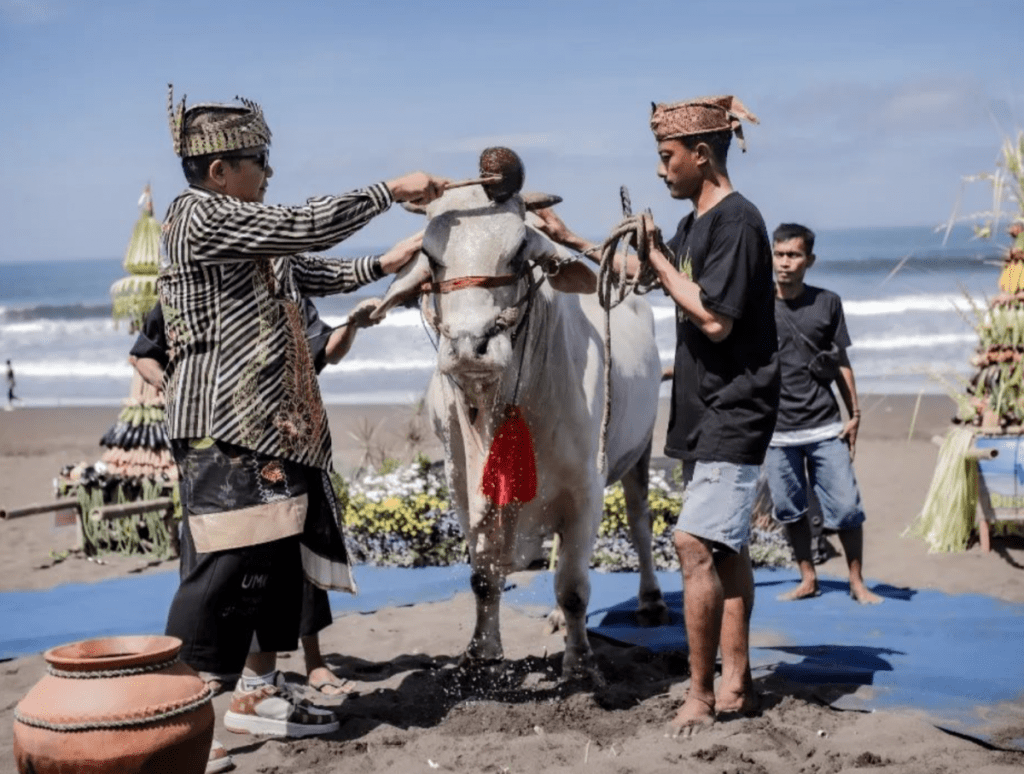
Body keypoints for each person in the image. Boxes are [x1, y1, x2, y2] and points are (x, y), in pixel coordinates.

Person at [157, 83, 446, 768]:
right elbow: (306, 227)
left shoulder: (247, 231)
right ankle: (183, 721)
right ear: (220, 169)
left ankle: (257, 693)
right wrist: (389, 188)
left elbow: (310, 266)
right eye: (259, 158)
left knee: (272, 569)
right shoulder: (198, 216)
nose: (269, 171)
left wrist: (385, 264)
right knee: (226, 568)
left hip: (273, 426)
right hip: (221, 426)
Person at [534, 95, 779, 735]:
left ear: (702, 155)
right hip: (705, 407)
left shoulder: (737, 223)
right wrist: (576, 241)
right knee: (725, 552)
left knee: (693, 544)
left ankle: (698, 695)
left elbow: (715, 319)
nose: (660, 170)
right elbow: (643, 275)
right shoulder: (696, 224)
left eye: (667, 157)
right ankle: (737, 680)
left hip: (736, 404)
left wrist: (661, 260)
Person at [130, 298, 376, 697]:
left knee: (292, 550)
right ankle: (214, 672)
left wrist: (352, 324)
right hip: (211, 453)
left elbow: (325, 349)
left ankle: (308, 664)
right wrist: (169, 382)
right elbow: (143, 354)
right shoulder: (184, 291)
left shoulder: (284, 288)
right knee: (215, 560)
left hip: (284, 441)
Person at [766, 223, 882, 605]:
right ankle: (807, 577)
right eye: (780, 254)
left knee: (847, 506)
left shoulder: (827, 302)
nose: (785, 263)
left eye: (794, 255)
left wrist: (856, 413)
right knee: (789, 509)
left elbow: (841, 360)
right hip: (777, 431)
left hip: (825, 424)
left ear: (809, 260)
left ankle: (856, 581)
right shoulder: (757, 305)